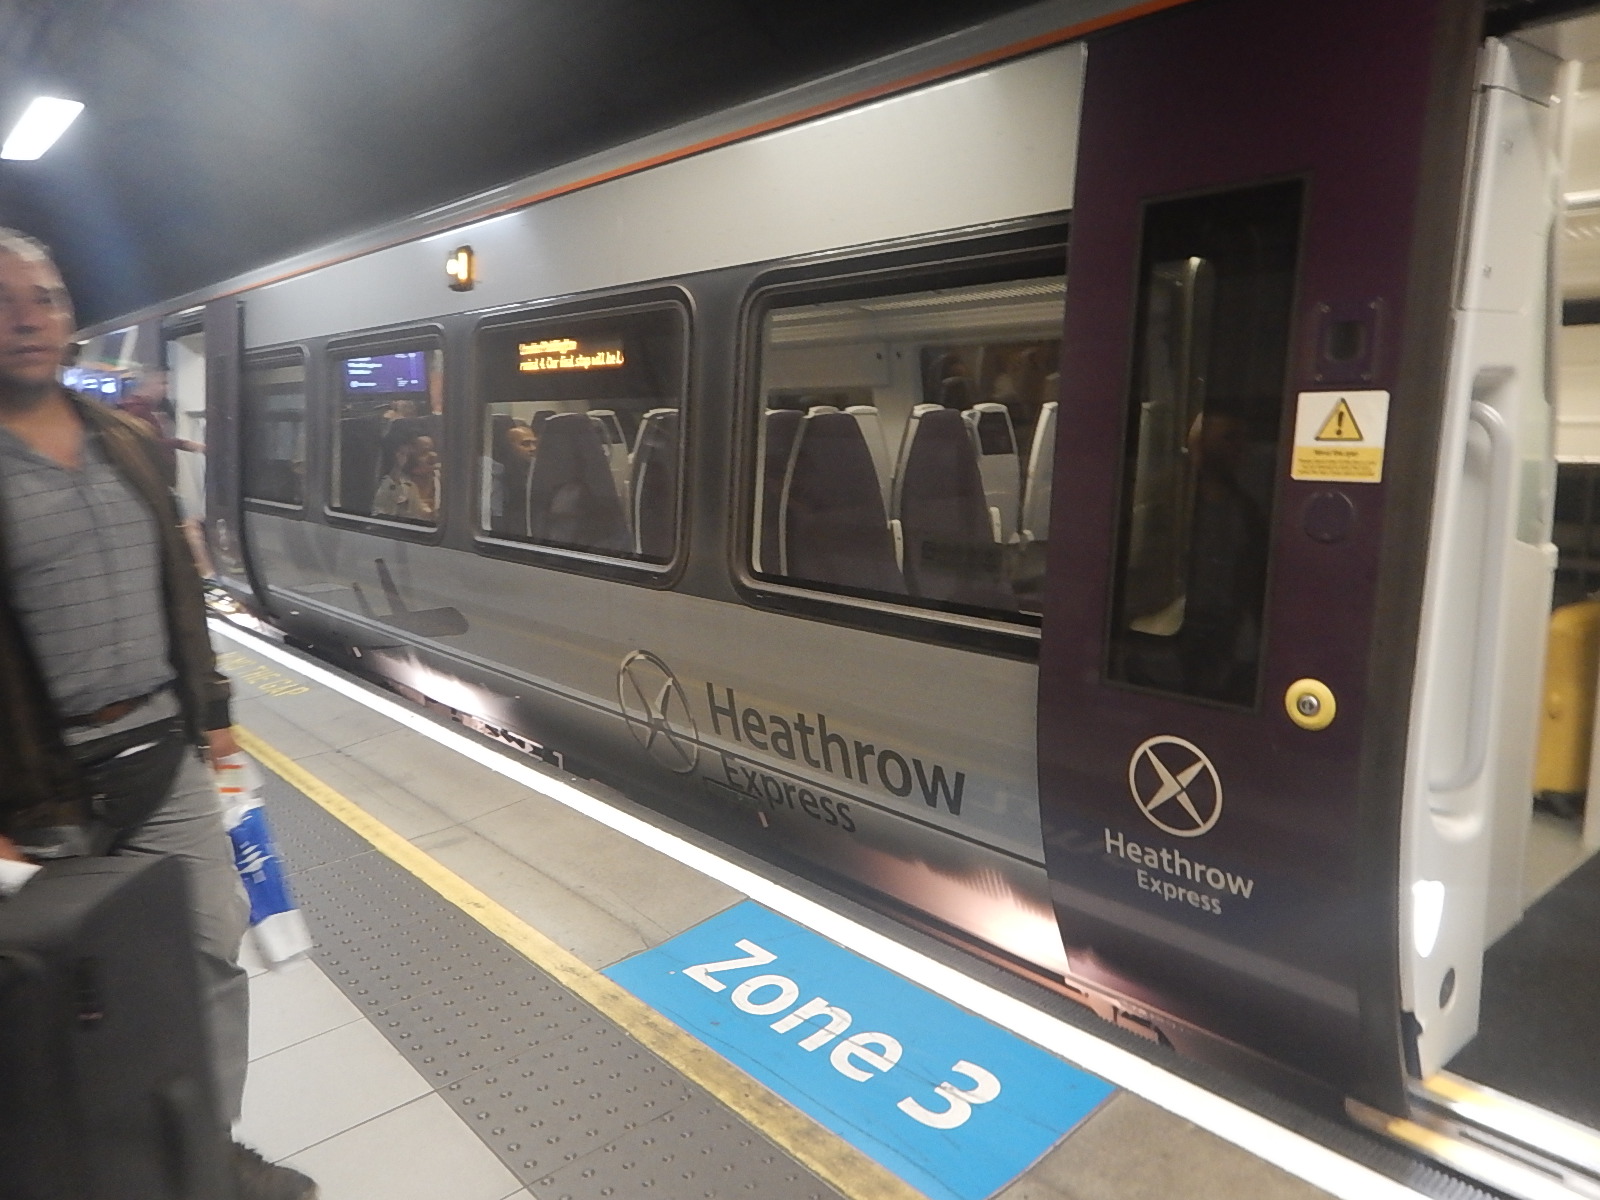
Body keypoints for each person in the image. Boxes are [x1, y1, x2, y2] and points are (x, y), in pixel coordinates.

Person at [0, 228, 317, 1200]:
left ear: (70, 316)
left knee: (208, 958)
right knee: (65, 996)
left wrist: (214, 721)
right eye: (3, 304)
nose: (27, 320)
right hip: (38, 786)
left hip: (161, 752)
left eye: (46, 299)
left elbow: (180, 586)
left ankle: (204, 1155)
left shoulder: (127, 444)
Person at [371, 420, 438, 521]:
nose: (432, 456)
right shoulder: (387, 486)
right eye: (423, 452)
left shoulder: (411, 484)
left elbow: (420, 513)